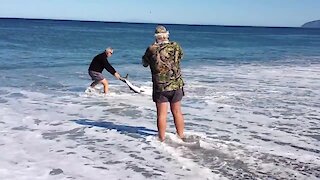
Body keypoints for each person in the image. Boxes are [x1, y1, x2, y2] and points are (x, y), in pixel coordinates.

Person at [142, 25, 185, 141]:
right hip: (176, 84)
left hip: (160, 87)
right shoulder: (175, 46)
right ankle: (181, 136)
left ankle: (162, 139)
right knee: (177, 112)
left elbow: (144, 63)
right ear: (167, 35)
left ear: (156, 36)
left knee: (162, 114)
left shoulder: (151, 49)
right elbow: (181, 57)